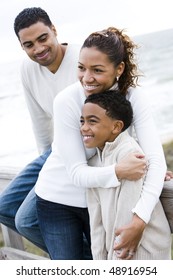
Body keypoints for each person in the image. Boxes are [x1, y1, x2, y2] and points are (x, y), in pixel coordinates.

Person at [35, 27, 170, 259]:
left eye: (97, 70)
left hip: (100, 201)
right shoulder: (67, 100)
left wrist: (140, 220)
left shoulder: (134, 97)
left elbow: (156, 160)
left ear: (119, 69)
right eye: (81, 68)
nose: (86, 78)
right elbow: (77, 172)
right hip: (59, 199)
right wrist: (119, 170)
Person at [0, 7, 83, 254]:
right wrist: (47, 172)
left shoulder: (83, 59)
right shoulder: (27, 69)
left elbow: (122, 106)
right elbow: (40, 123)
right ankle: (83, 254)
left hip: (85, 153)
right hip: (56, 152)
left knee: (25, 219)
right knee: (5, 207)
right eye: (28, 44)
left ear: (54, 31)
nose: (38, 49)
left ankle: (80, 258)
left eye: (43, 38)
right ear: (22, 47)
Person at [80, 90, 171, 260]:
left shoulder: (130, 155)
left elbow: (126, 219)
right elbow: (96, 223)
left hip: (143, 248)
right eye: (82, 121)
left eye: (92, 121)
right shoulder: (92, 165)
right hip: (117, 250)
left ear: (116, 127)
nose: (84, 127)